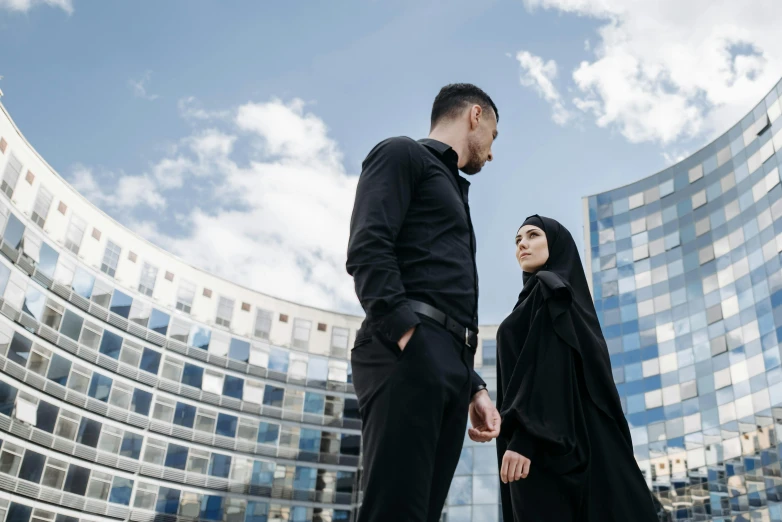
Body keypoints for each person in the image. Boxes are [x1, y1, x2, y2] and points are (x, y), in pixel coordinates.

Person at [346, 83, 502, 522]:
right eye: (493, 135)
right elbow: (368, 250)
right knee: (395, 512)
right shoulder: (401, 154)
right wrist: (412, 341)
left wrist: (472, 385)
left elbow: (439, 287)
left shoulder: (453, 187)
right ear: (475, 115)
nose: (490, 153)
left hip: (449, 365)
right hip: (408, 352)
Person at [495, 214, 659, 521]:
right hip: (539, 447)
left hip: (541, 451)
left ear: (556, 245)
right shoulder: (542, 299)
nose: (522, 245)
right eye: (518, 241)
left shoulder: (552, 292)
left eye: (533, 236)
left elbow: (549, 368)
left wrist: (524, 438)